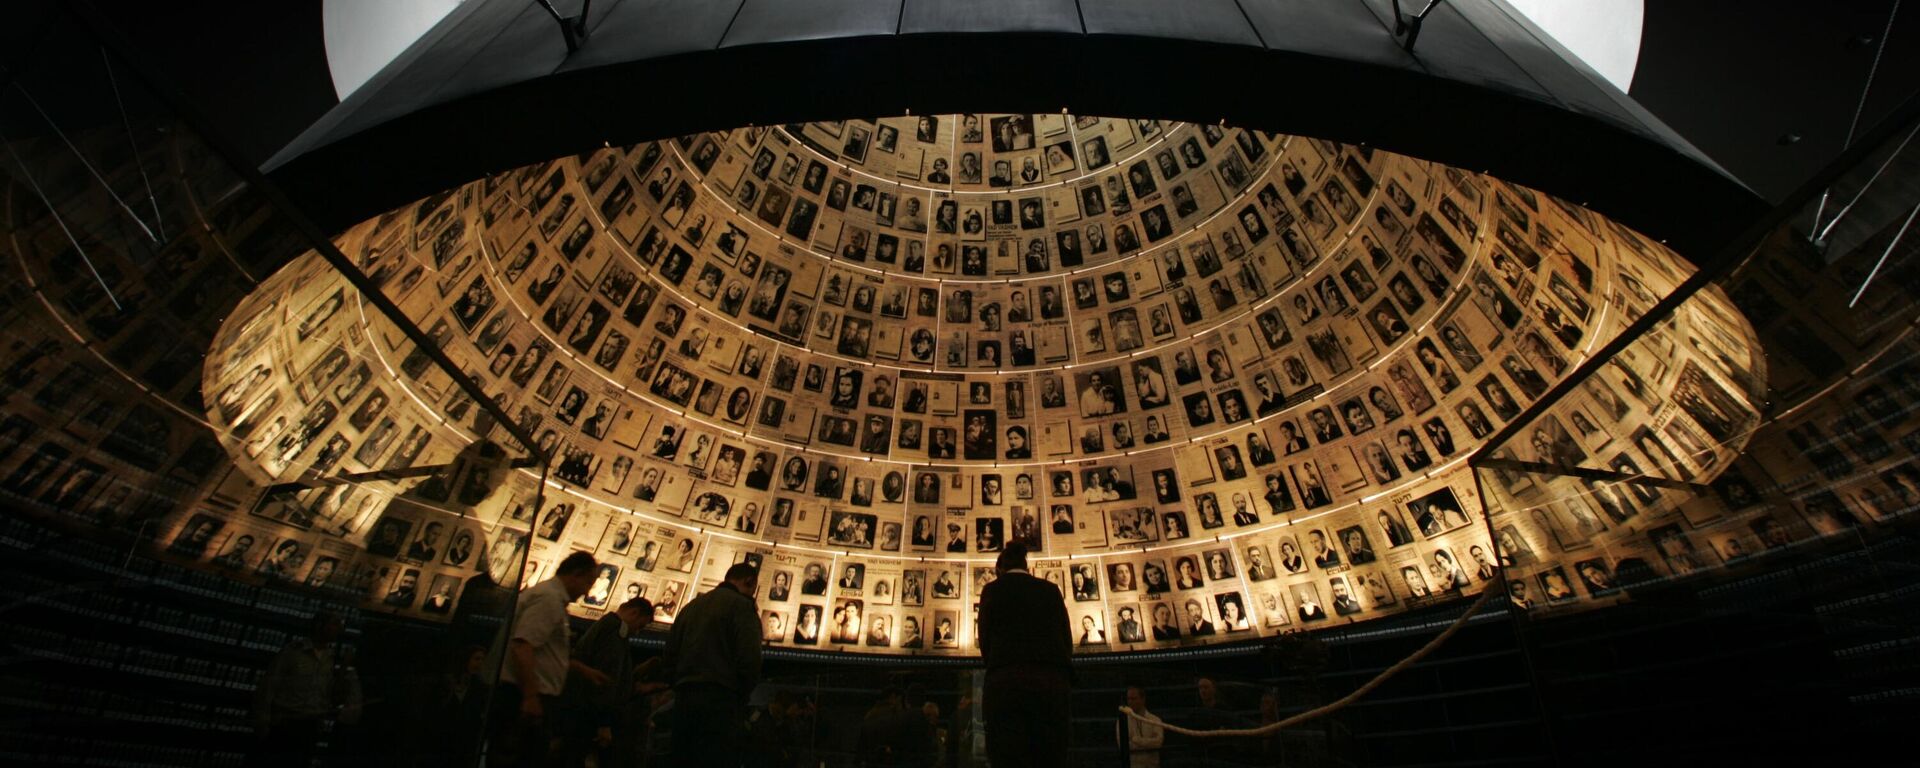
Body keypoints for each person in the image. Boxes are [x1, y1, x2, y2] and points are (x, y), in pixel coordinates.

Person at [494, 551, 599, 767]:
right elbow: (523, 645)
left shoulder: (550, 597)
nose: (588, 591)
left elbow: (543, 651)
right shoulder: (549, 599)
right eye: (588, 582)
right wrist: (530, 696)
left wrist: (579, 669)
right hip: (522, 695)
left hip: (527, 694)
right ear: (576, 575)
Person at [977, 543, 1072, 768]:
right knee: (1049, 753)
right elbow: (1065, 638)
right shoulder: (1050, 590)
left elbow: (985, 640)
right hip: (1050, 683)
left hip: (1006, 683)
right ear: (1026, 566)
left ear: (1000, 568)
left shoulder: (992, 590)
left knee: (1008, 753)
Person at [662, 561, 763, 767]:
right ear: (749, 581)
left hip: (684, 700)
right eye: (753, 589)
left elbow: (670, 655)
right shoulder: (742, 606)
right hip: (721, 702)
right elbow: (750, 659)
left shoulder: (690, 607)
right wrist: (741, 695)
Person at [252, 612, 361, 767]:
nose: (339, 629)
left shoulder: (332, 659)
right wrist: (262, 720)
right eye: (335, 624)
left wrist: (344, 670)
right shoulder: (293, 653)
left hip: (310, 725)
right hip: (284, 722)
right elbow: (268, 687)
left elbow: (333, 697)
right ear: (319, 626)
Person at [560, 598, 658, 767]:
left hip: (583, 711)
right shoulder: (615, 632)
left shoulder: (607, 627)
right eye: (640, 626)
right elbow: (606, 678)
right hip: (589, 716)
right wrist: (604, 722)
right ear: (634, 612)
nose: (637, 632)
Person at [1121, 686, 1164, 768]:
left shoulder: (1155, 720)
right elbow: (1123, 745)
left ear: (1143, 699)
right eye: (1128, 699)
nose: (1130, 702)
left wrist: (1136, 740)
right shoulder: (1123, 722)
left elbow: (1158, 743)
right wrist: (1149, 743)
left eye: (1133, 699)